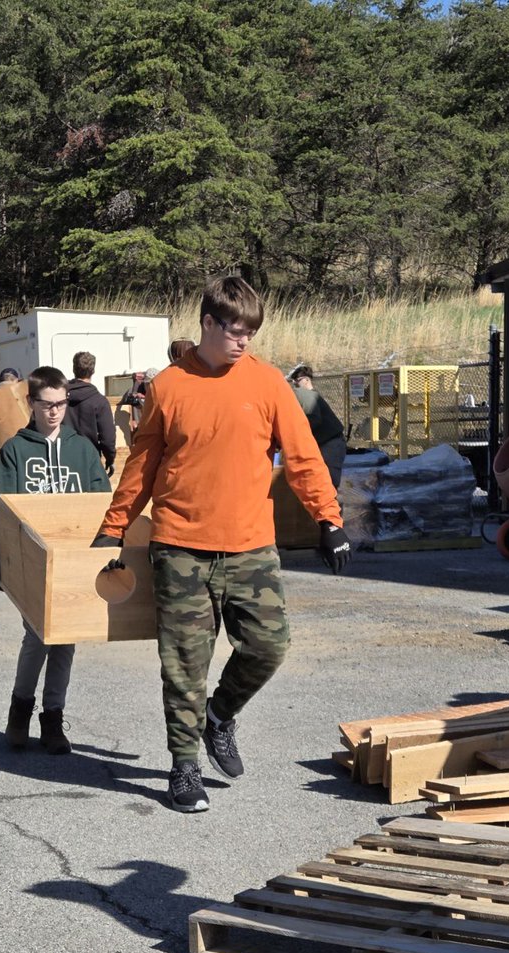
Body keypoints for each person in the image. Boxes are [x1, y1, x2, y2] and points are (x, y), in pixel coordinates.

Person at [91, 276, 351, 814]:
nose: (243, 343)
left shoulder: (268, 384)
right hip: (180, 547)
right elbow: (143, 463)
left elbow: (302, 457)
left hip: (250, 547)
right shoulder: (168, 387)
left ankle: (219, 716)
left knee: (268, 646)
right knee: (184, 663)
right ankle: (184, 767)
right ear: (207, 323)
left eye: (251, 333)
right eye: (234, 331)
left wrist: (329, 520)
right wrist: (115, 524)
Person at [0, 366, 111, 754]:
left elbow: (101, 503)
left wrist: (104, 552)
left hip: (75, 560)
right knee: (37, 636)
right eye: (46, 404)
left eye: (61, 404)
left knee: (66, 642)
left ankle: (52, 718)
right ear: (32, 403)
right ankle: (20, 710)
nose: (55, 412)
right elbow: (4, 509)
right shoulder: (16, 451)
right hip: (31, 559)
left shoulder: (82, 449)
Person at [287, 365, 347, 490]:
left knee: (328, 485)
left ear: (306, 379)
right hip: (321, 444)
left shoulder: (307, 397)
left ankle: (332, 509)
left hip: (330, 443)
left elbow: (313, 419)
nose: (295, 385)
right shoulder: (307, 396)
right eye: (293, 382)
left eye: (297, 381)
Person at [65, 351, 117, 476]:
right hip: (89, 459)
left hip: (60, 456)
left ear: (73, 368)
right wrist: (110, 459)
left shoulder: (60, 397)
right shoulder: (99, 401)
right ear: (93, 371)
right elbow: (108, 437)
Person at [118, 367, 159, 436]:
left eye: (153, 384)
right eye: (148, 384)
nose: (150, 387)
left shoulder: (162, 395)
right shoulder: (133, 392)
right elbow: (120, 407)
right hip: (138, 432)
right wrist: (130, 420)